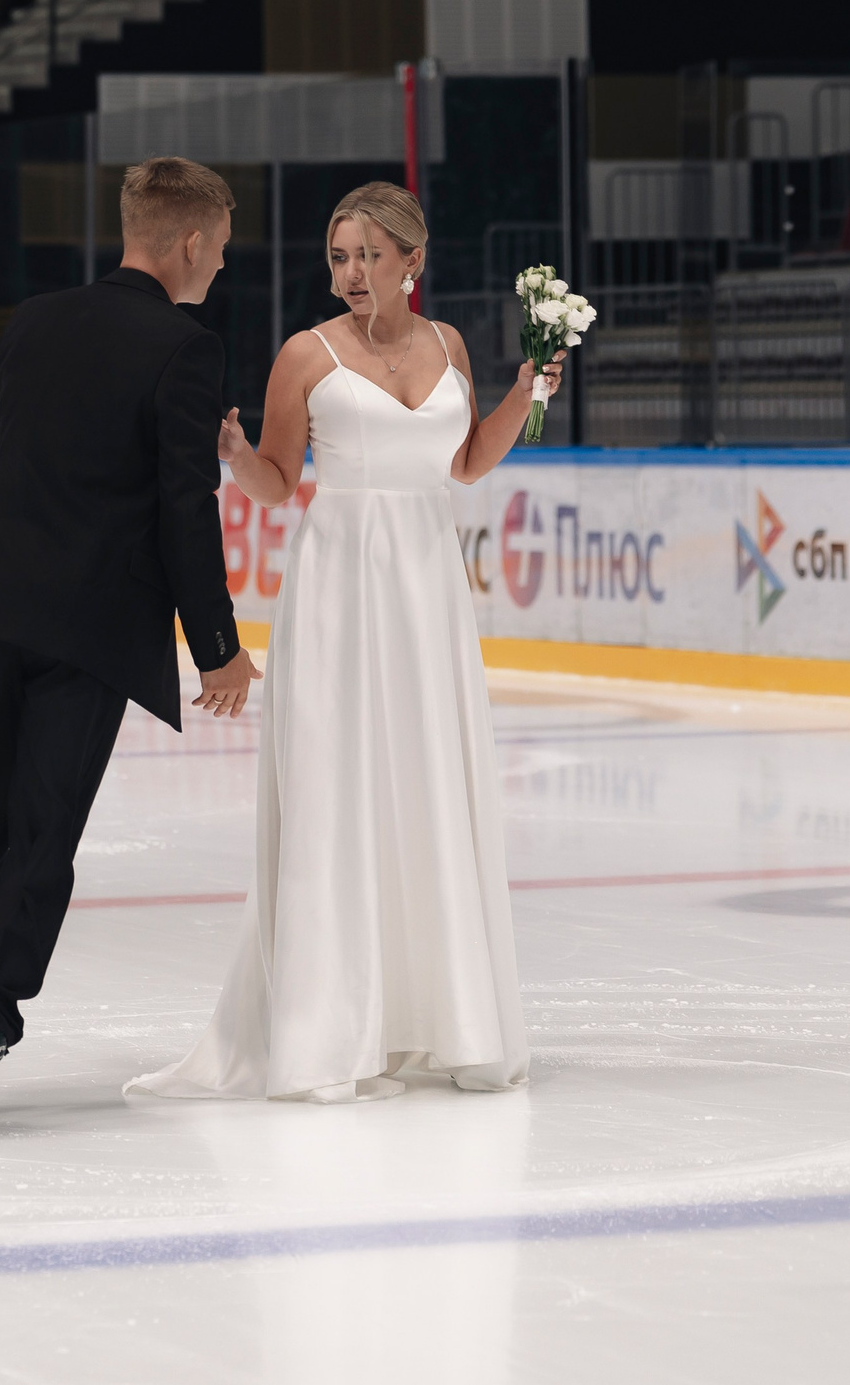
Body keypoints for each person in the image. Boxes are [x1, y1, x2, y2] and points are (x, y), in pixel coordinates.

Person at [130, 181, 561, 1104]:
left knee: (429, 784)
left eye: (368, 254)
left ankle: (439, 1016)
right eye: (338, 256)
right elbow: (280, 483)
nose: (351, 273)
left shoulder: (448, 346)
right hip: (339, 588)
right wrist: (236, 454)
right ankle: (333, 1027)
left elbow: (463, 464)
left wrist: (523, 396)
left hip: (428, 586)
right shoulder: (305, 353)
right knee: (342, 788)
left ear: (413, 258)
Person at [0, 155, 260, 1129]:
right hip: (85, 619)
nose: (217, 267)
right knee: (41, 829)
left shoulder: (38, 318)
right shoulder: (185, 346)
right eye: (217, 250)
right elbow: (185, 503)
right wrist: (215, 642)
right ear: (186, 242)